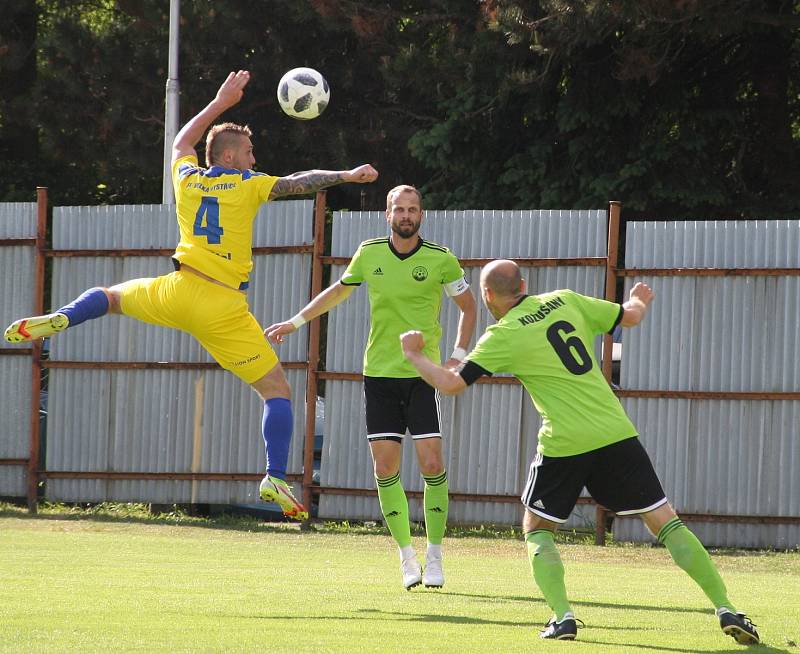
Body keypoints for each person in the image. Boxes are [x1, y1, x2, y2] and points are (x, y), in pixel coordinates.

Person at [4, 70, 378, 521]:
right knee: (276, 391)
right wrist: (346, 175)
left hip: (178, 289)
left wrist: (220, 102)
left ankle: (62, 318)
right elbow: (300, 181)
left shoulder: (188, 180)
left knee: (109, 295)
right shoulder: (247, 185)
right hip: (222, 306)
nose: (254, 158)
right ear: (230, 156)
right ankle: (275, 475)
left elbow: (181, 143)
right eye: (249, 151)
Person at [399, 259, 759, 644]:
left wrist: (415, 356)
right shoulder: (565, 300)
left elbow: (453, 384)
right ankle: (725, 608)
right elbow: (631, 317)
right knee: (666, 522)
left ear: (487, 295)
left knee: (537, 529)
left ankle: (563, 617)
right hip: (615, 432)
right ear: (524, 284)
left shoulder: (502, 335)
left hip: (565, 442)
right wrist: (639, 299)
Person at [267, 184, 477, 589]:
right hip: (379, 376)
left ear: (421, 215)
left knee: (432, 466)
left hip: (422, 376)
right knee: (385, 469)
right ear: (387, 214)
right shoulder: (370, 253)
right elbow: (338, 291)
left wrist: (457, 355)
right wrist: (295, 322)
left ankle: (435, 556)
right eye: (399, 208)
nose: (406, 215)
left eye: (413, 209)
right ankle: (406, 557)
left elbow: (468, 306)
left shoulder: (441, 260)